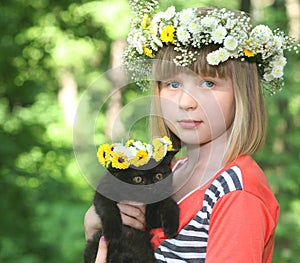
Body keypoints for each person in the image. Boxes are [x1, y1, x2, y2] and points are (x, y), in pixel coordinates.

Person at [84, 1, 299, 262]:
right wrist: (99, 229)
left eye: (208, 83)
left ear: (243, 95)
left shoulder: (235, 193)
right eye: (173, 84)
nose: (186, 102)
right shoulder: (170, 171)